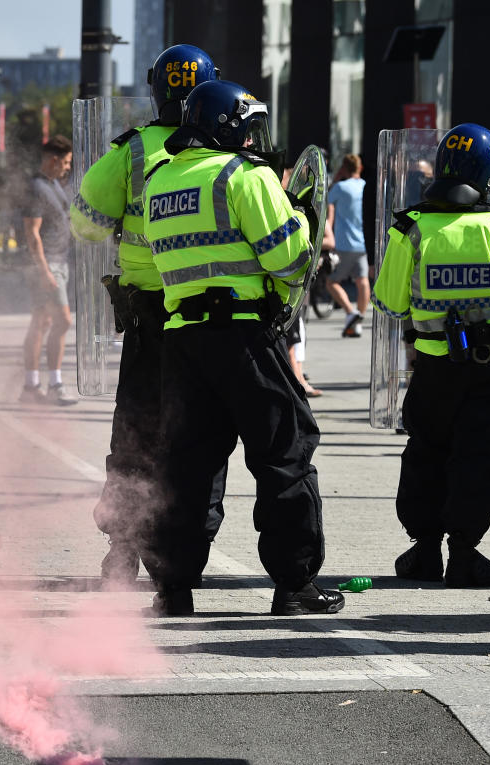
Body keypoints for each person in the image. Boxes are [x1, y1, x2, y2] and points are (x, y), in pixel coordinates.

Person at [142, 79, 343, 617]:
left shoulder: (160, 180)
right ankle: (294, 584)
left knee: (186, 465)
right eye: (249, 126)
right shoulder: (243, 176)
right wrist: (300, 218)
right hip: (243, 335)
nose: (254, 138)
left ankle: (173, 588)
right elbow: (287, 261)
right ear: (227, 125)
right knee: (284, 454)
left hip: (181, 337)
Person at [69, 44, 227, 586]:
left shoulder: (131, 153)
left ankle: (123, 553)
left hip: (148, 318)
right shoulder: (231, 157)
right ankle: (187, 555)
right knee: (202, 434)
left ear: (156, 88)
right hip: (211, 318)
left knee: (136, 434)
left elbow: (85, 222)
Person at [372, 123, 490, 588]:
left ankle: (424, 552)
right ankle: (464, 555)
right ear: (488, 176)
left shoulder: (410, 229)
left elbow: (388, 304)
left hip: (430, 368)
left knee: (426, 452)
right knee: (478, 457)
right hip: (487, 369)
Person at [20, 135, 78, 405]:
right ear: (53, 160)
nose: (67, 167)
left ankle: (32, 387)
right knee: (62, 321)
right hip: (46, 265)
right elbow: (32, 233)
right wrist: (44, 271)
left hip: (58, 262)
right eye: (65, 162)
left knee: (42, 322)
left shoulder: (53, 183)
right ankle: (53, 383)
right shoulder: (36, 187)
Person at [326, 154, 370, 338]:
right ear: (360, 168)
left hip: (344, 243)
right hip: (363, 243)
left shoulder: (340, 187)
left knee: (332, 282)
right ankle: (359, 318)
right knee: (362, 281)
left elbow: (326, 201)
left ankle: (350, 312)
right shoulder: (364, 186)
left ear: (344, 168)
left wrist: (336, 178)